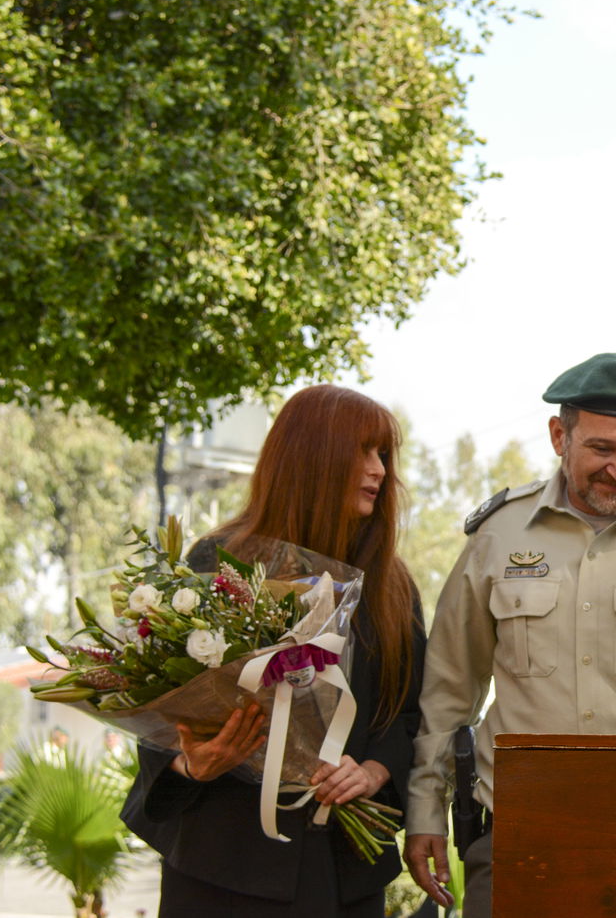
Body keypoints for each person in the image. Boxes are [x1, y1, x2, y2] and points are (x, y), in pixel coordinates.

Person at [122, 385, 426, 917]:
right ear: (310, 459)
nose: (379, 470)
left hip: (343, 868)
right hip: (221, 863)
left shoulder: (392, 586)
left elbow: (411, 712)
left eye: (383, 454)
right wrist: (192, 765)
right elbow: (166, 701)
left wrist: (377, 769)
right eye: (362, 451)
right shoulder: (219, 560)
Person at [404, 353, 616, 917]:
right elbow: (452, 685)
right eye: (602, 449)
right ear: (559, 436)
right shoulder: (499, 534)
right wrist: (427, 809)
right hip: (518, 837)